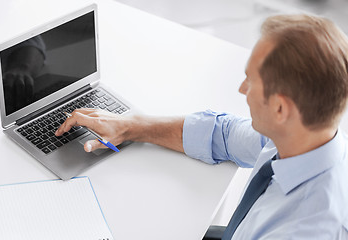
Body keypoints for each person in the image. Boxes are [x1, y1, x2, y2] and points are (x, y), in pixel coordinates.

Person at [55, 14, 348, 239]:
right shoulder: (305, 134)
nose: (241, 89)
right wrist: (132, 126)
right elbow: (223, 134)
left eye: (251, 81)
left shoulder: (308, 228)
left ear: (281, 108)